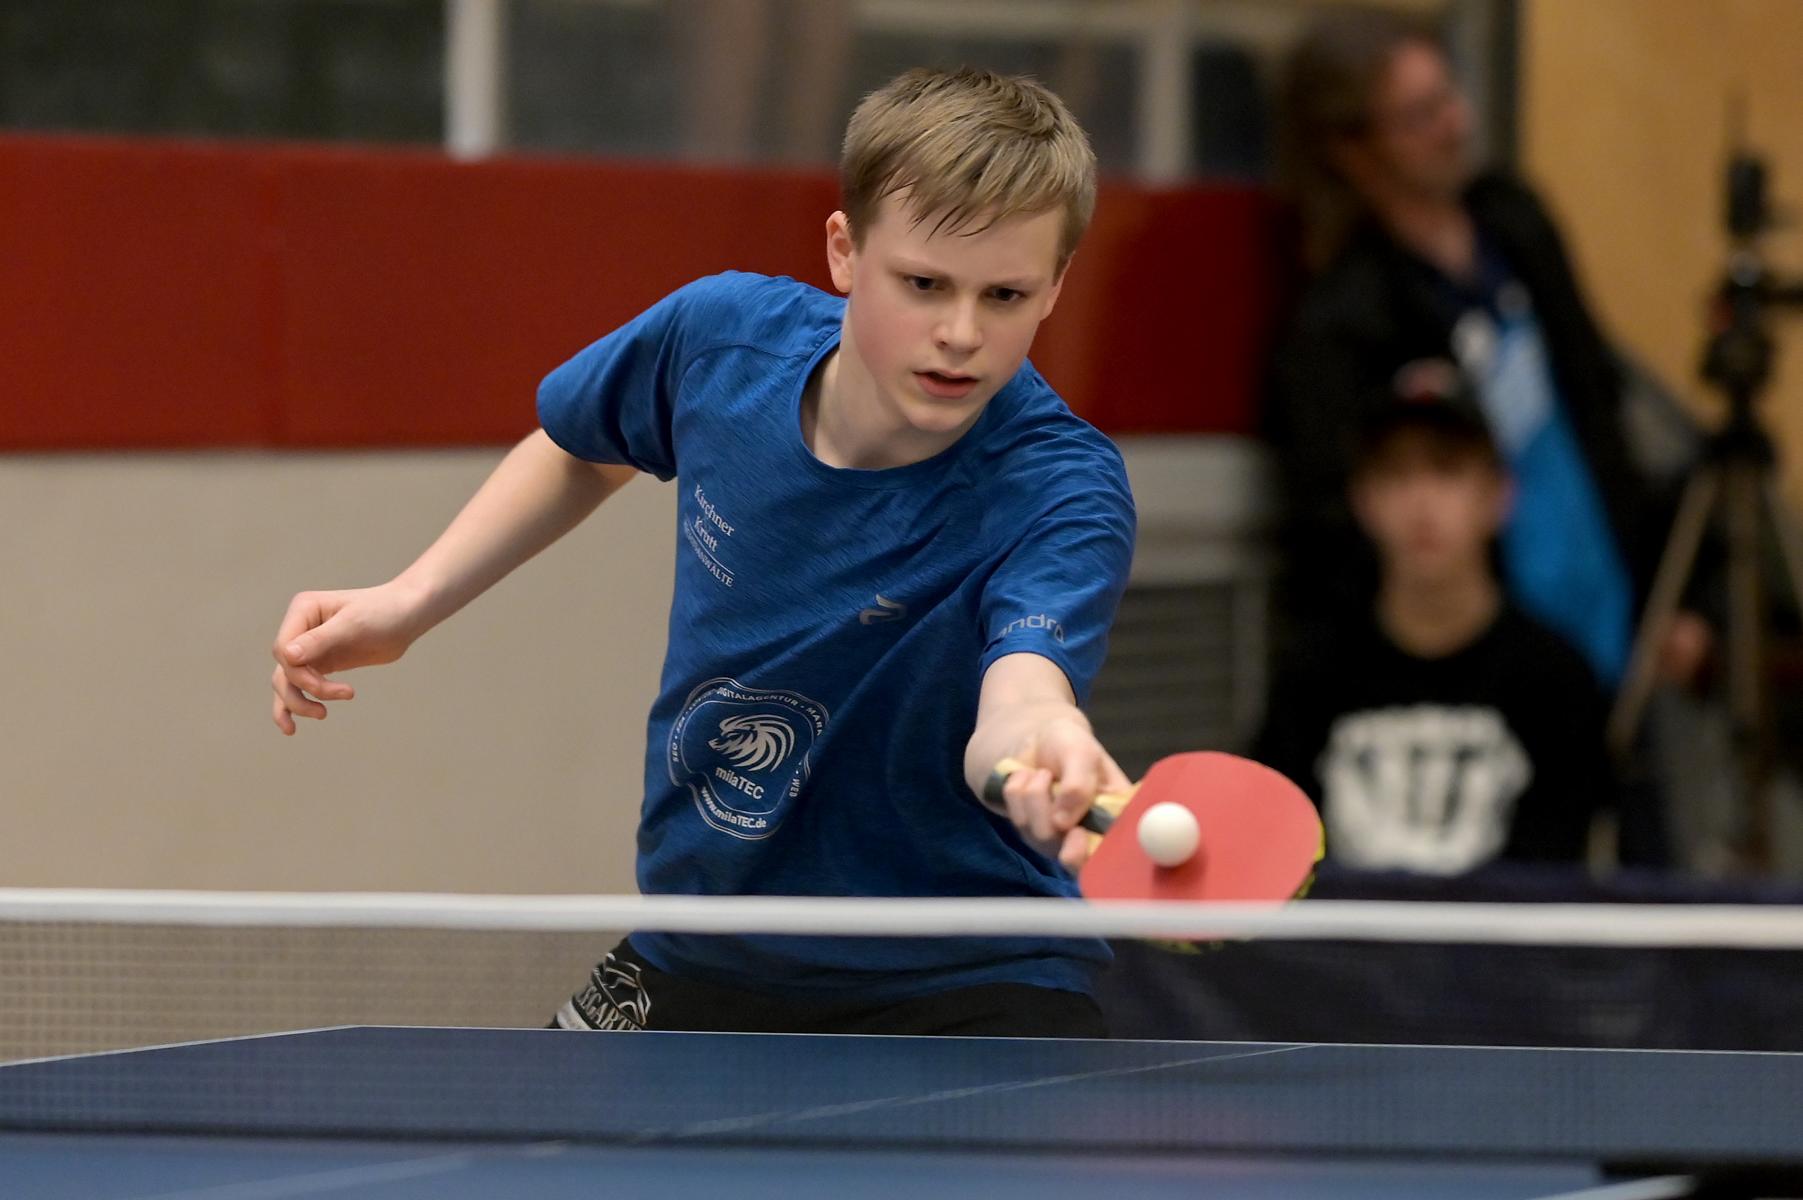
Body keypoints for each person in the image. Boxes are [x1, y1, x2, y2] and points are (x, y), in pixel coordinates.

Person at [267, 68, 1136, 1038]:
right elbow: (580, 448)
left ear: (1055, 288)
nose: (961, 334)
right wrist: (411, 600)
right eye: (924, 284)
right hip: (707, 935)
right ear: (844, 251)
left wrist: (1040, 744)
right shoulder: (723, 343)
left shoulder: (1060, 490)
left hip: (965, 975)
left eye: (1005, 295)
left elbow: (1018, 697)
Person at [1264, 6, 1710, 702]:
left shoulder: (1512, 220)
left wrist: (1667, 591)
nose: (1455, 123)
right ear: (1353, 151)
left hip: (1603, 596)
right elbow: (1338, 532)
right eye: (1419, 115)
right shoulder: (1344, 318)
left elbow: (1598, 405)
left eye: (1449, 95)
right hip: (1483, 652)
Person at [1252, 385, 1609, 875]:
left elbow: (1559, 873)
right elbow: (1273, 853)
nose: (1421, 502)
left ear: (1499, 495)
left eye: (1447, 470)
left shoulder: (1556, 680)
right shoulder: (1311, 675)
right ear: (1364, 500)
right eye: (1397, 474)